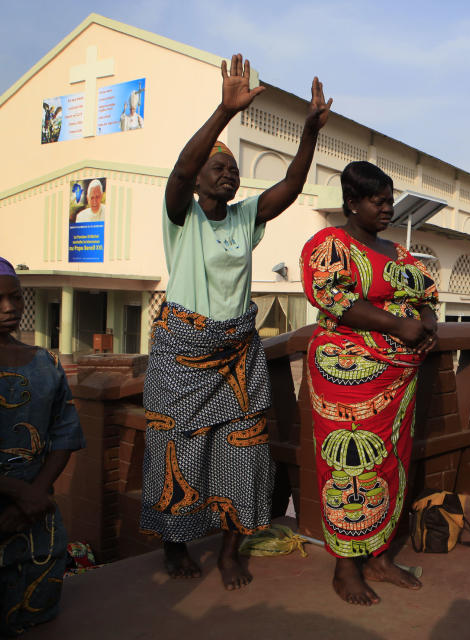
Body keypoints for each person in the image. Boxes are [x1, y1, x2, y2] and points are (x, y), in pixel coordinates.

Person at [140, 54, 332, 590]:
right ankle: (175, 543)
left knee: (243, 450)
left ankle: (229, 551)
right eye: (217, 168)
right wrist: (224, 112)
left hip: (237, 351)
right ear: (200, 177)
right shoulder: (182, 215)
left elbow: (291, 188)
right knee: (177, 447)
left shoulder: (246, 217)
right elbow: (179, 170)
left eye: (232, 169)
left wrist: (308, 134)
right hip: (183, 351)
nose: (228, 174)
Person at [301, 160, 439, 606]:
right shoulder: (328, 244)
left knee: (390, 462)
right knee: (349, 466)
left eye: (390, 200)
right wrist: (399, 325)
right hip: (347, 378)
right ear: (352, 202)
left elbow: (425, 294)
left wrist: (428, 321)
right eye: (378, 202)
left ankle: (377, 556)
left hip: (398, 381)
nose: (388, 209)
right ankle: (345, 566)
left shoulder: (398, 253)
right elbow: (333, 298)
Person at [0, 257, 85, 635]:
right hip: (22, 505)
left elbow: (65, 433)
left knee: (35, 620)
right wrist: (19, 491)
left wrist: (35, 496)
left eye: (16, 298)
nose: (9, 308)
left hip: (35, 526)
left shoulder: (45, 363)